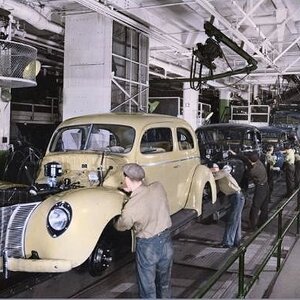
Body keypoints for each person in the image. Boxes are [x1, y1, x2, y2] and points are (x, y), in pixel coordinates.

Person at [114, 163, 173, 298]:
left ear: (127, 179)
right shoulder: (158, 187)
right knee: (164, 284)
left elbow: (123, 225)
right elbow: (147, 192)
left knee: (148, 289)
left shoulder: (130, 208)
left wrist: (115, 221)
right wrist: (132, 190)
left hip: (148, 247)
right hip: (166, 241)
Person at [228, 151, 269, 231]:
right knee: (264, 206)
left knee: (255, 207)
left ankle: (252, 226)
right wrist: (235, 154)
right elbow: (245, 159)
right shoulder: (258, 162)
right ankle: (263, 223)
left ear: (250, 161)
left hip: (261, 188)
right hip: (266, 186)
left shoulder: (254, 170)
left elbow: (247, 175)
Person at [209, 163, 245, 248]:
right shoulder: (221, 179)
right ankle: (237, 241)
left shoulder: (223, 172)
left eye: (215, 168)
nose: (214, 170)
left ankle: (228, 242)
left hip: (237, 197)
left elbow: (214, 176)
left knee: (232, 220)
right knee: (236, 219)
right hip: (235, 197)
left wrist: (207, 171)